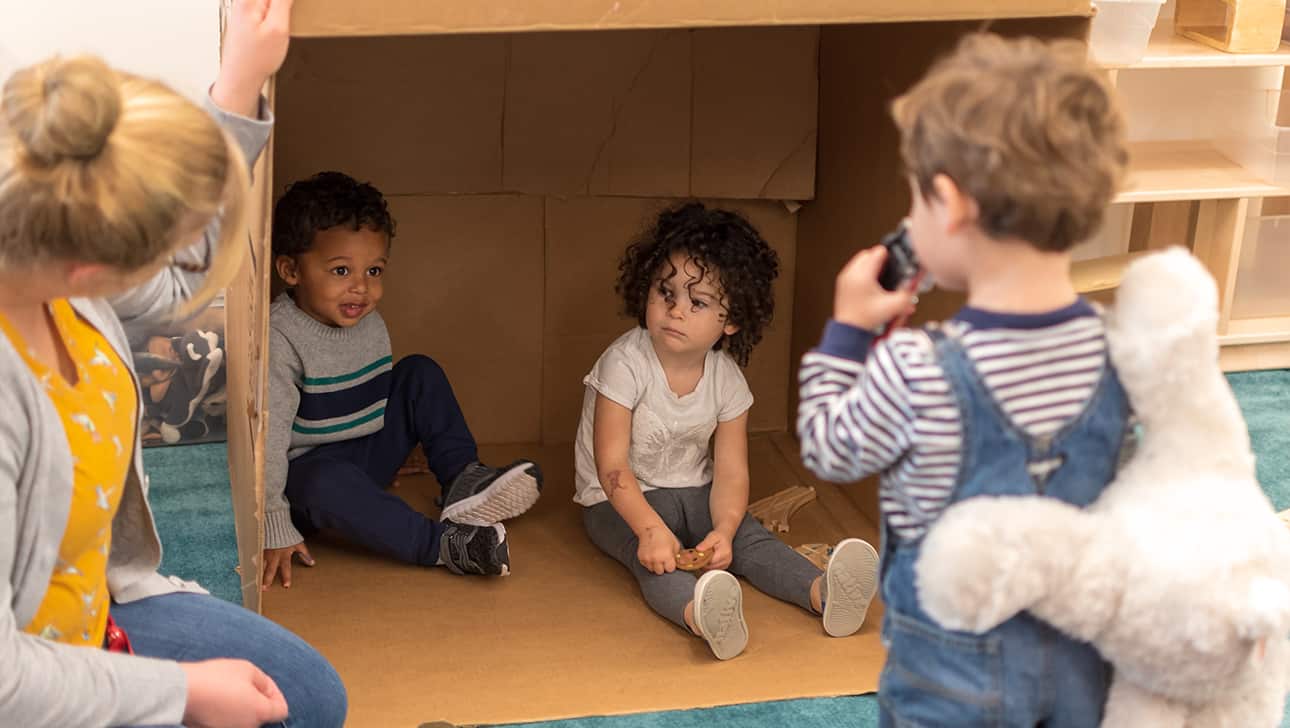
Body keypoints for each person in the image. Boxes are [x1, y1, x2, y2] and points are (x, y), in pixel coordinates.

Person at [0, 1, 347, 725]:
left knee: (308, 700)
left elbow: (184, 259)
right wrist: (180, 695)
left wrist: (242, 76)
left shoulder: (43, 237)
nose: (179, 270)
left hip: (96, 604)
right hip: (25, 669)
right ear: (92, 267)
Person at [796, 33, 1132, 726]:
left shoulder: (914, 365)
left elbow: (830, 449)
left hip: (951, 669)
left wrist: (849, 334)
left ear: (948, 205)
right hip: (1080, 661)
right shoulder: (1122, 349)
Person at [576, 201, 880, 661]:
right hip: (617, 500)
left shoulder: (727, 379)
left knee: (749, 540)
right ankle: (703, 615)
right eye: (666, 292)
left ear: (731, 320)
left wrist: (725, 527)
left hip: (693, 490)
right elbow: (612, 465)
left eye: (697, 303)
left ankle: (822, 593)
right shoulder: (624, 363)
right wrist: (649, 530)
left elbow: (732, 472)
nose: (676, 310)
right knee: (654, 563)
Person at [262, 170, 543, 587]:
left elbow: (370, 392)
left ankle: (463, 479)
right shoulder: (279, 338)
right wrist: (272, 521)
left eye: (374, 271)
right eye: (341, 271)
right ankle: (444, 545)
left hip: (362, 454)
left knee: (418, 371)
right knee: (324, 481)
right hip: (305, 479)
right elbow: (264, 444)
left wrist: (396, 443)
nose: (361, 288)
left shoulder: (362, 318)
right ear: (290, 270)